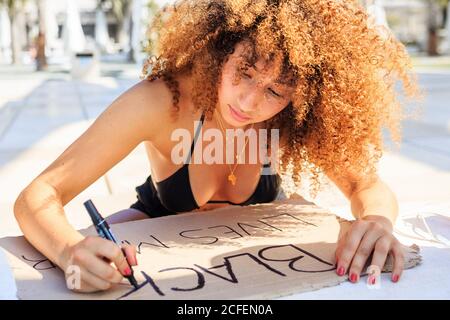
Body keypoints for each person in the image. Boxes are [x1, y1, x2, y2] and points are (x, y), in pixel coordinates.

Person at [13, 0, 420, 293]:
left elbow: (368, 188)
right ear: (221, 47)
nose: (247, 102)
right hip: (155, 226)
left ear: (302, 97)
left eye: (276, 91)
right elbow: (37, 196)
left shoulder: (295, 116)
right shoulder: (162, 102)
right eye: (243, 71)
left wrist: (377, 222)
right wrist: (69, 251)